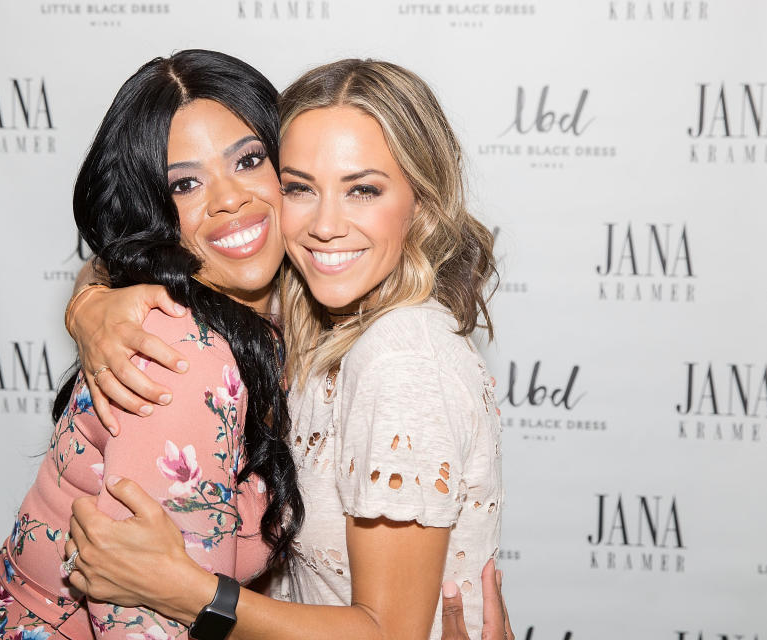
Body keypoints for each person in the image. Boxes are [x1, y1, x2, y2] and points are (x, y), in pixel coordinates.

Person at [62, 59, 510, 640]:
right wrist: (90, 303)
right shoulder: (309, 310)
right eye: (300, 187)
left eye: (363, 190)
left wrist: (189, 591)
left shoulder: (402, 356)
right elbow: (163, 246)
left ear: (422, 201)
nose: (325, 224)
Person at [0, 50, 304, 640]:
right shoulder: (180, 359)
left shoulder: (286, 313)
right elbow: (145, 627)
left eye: (249, 160)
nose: (229, 198)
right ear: (156, 212)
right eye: (186, 182)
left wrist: (87, 301)